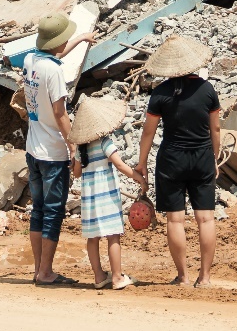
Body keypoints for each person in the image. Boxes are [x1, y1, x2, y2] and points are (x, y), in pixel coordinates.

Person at [136, 35, 222, 288]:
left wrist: (142, 163)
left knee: (175, 220)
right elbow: (215, 130)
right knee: (205, 219)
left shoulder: (161, 93)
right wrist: (214, 158)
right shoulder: (207, 90)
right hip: (202, 157)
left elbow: (148, 132)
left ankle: (183, 277)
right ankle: (204, 277)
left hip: (171, 160)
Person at [21, 12, 94, 287]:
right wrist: (73, 146)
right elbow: (60, 114)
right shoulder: (55, 72)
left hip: (33, 149)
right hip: (53, 152)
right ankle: (46, 272)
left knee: (38, 209)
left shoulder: (31, 60)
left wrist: (80, 39)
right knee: (53, 211)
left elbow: (54, 54)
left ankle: (39, 268)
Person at [69, 94, 143, 290]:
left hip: (90, 199)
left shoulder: (81, 148)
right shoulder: (105, 141)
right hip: (107, 196)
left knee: (92, 238)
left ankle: (99, 276)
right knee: (113, 236)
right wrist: (138, 177)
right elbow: (119, 164)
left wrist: (74, 160)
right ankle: (117, 277)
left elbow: (76, 173)